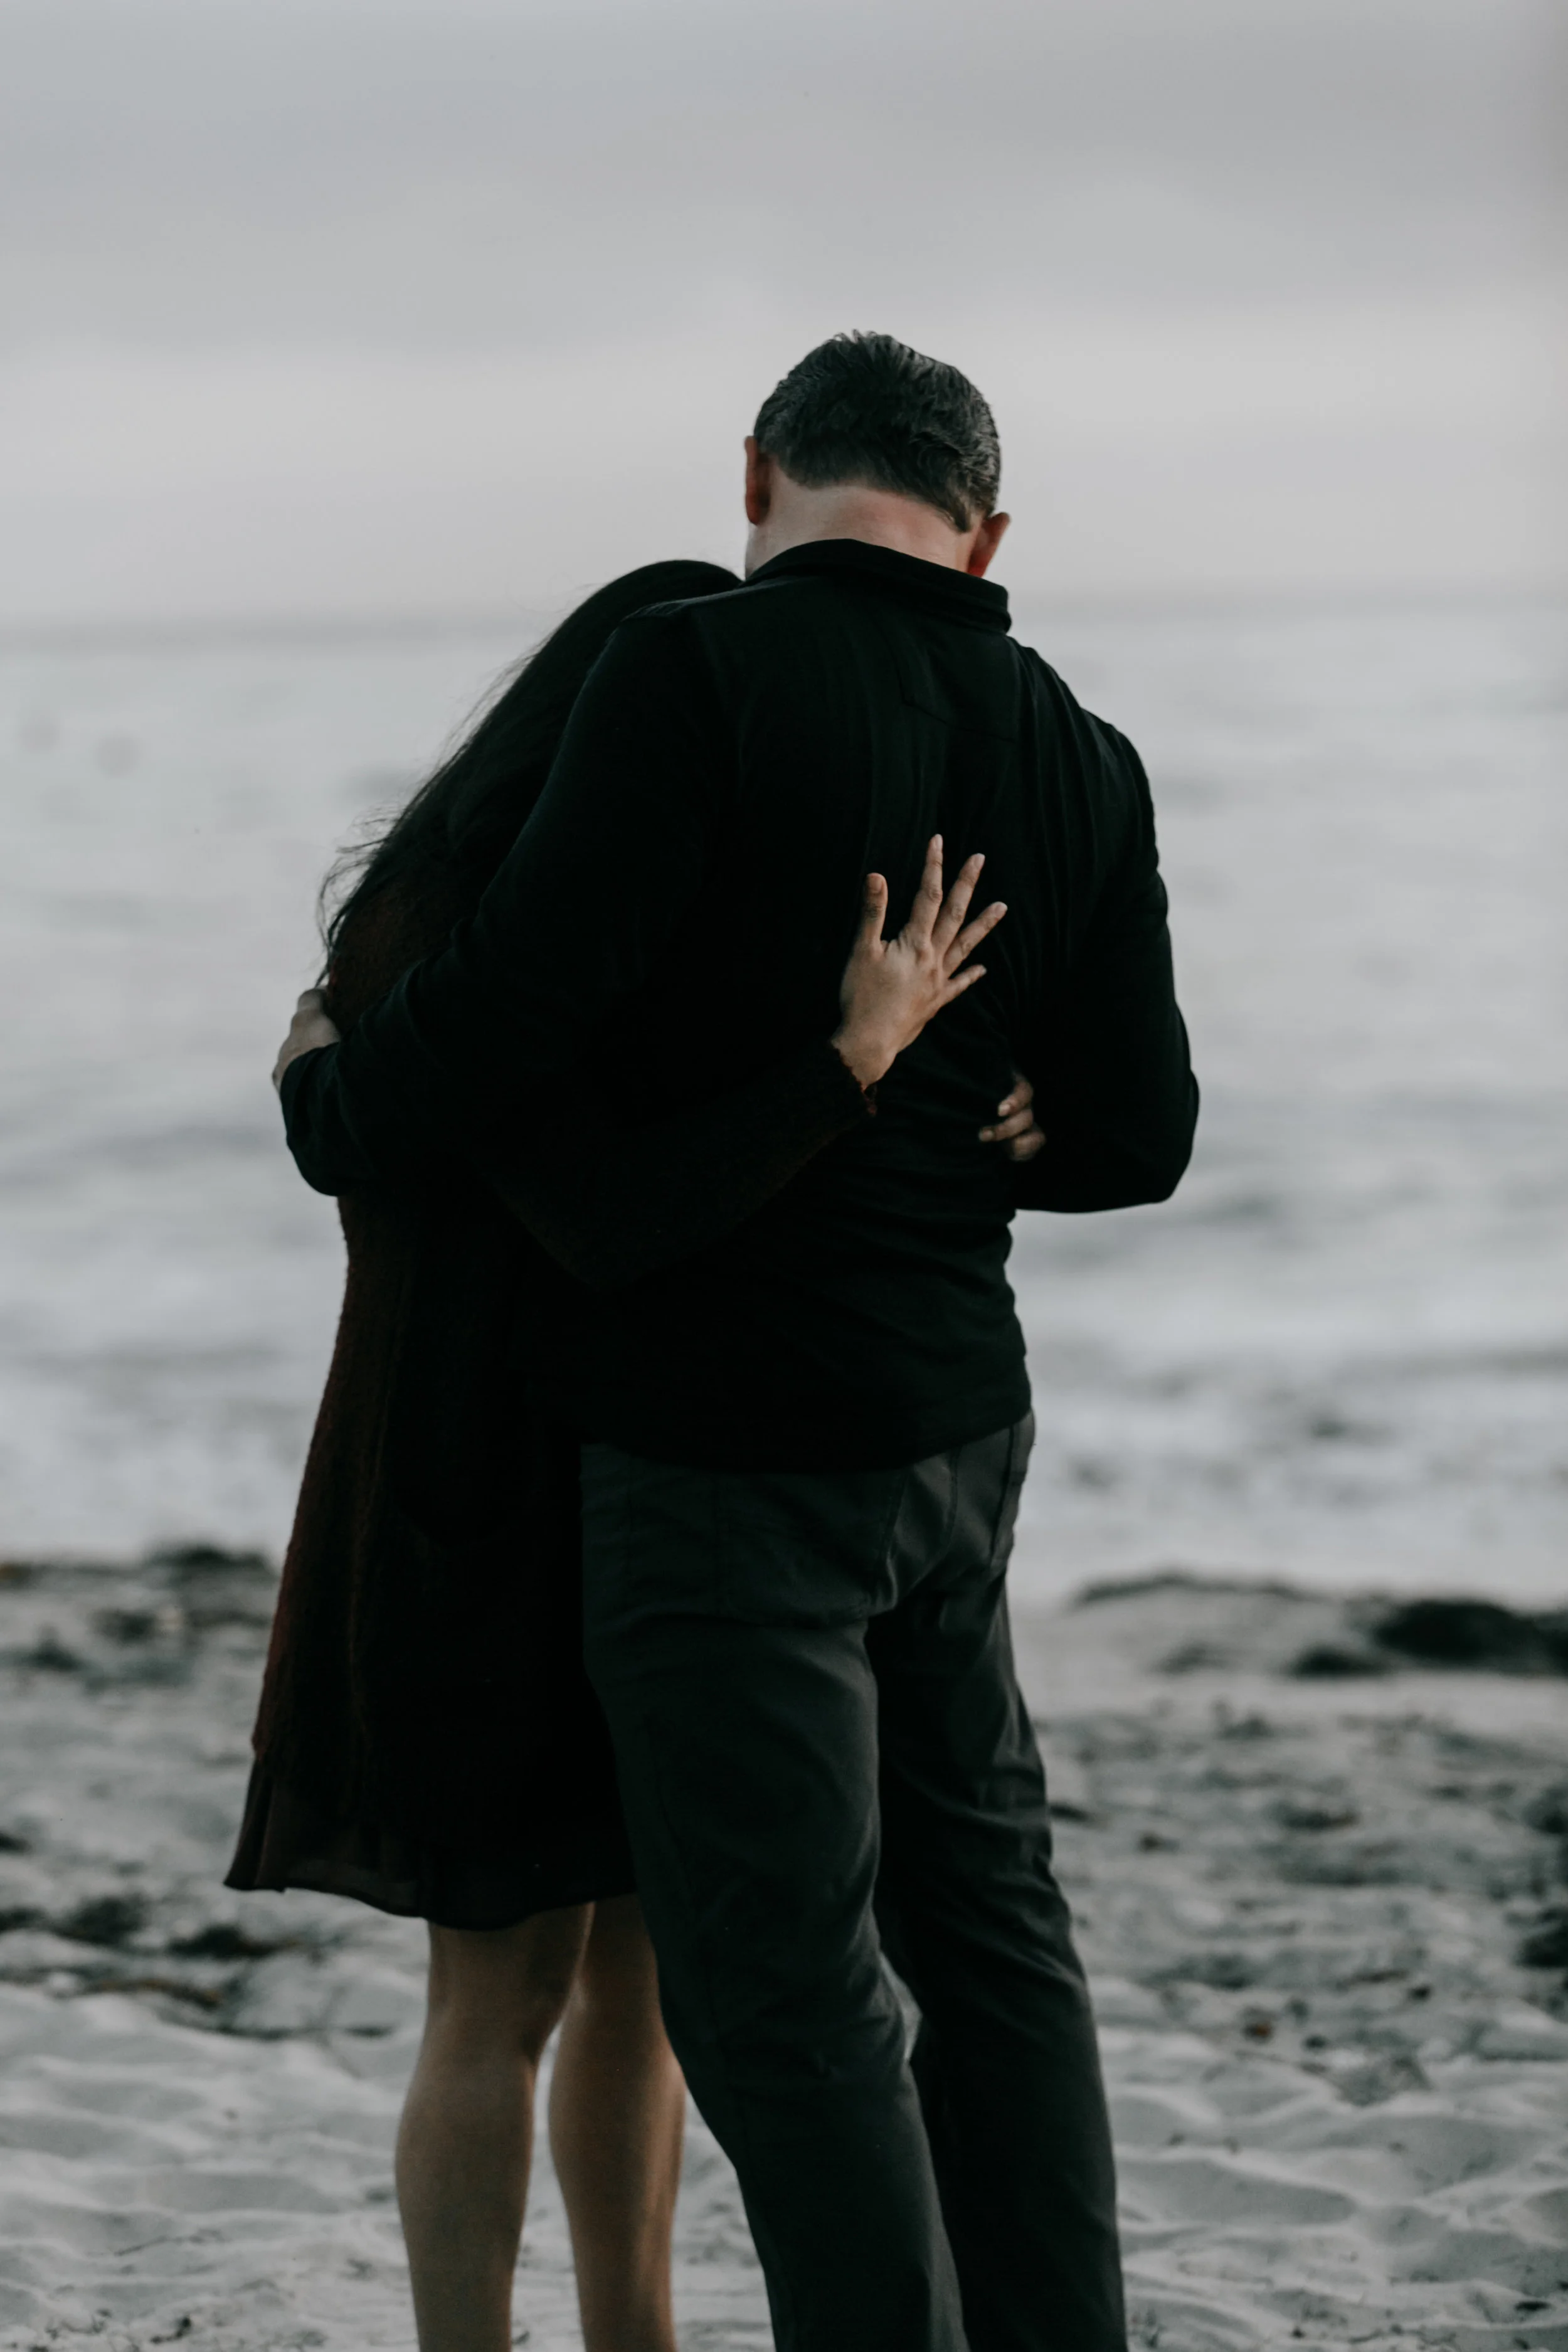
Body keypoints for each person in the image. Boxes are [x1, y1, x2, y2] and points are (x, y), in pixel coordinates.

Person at [277, 333, 1198, 2352]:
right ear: (988, 527)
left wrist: (336, 1090)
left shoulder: (688, 676)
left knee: (786, 1995)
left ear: (760, 474)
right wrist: (993, 1109)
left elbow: (513, 1017)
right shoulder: (1077, 747)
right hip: (957, 1435)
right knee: (994, 1942)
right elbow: (1143, 1135)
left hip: (721, 1454)